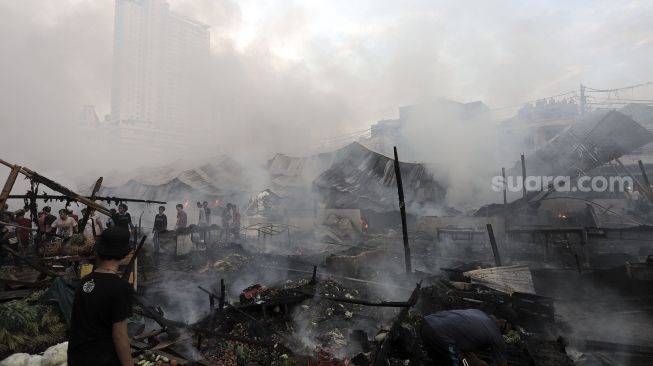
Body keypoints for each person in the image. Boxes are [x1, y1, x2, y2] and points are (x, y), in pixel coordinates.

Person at [68, 227, 134, 366]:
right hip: (103, 360)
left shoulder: (84, 282)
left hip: (77, 358)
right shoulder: (120, 287)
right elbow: (120, 335)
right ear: (123, 254)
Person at [420, 309, 509, 366]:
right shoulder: (496, 335)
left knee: (440, 361)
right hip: (442, 337)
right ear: (504, 321)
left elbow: (465, 347)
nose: (509, 331)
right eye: (511, 328)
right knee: (462, 364)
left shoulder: (479, 313)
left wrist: (478, 362)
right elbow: (502, 364)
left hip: (426, 324)